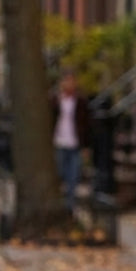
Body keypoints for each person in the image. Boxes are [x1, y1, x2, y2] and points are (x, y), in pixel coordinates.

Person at [51, 69, 90, 213]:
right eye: (66, 80)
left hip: (75, 143)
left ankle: (70, 207)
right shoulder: (55, 100)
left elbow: (86, 125)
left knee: (73, 177)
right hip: (59, 142)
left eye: (72, 80)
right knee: (60, 175)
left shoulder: (81, 101)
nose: (69, 83)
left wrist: (86, 146)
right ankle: (59, 205)